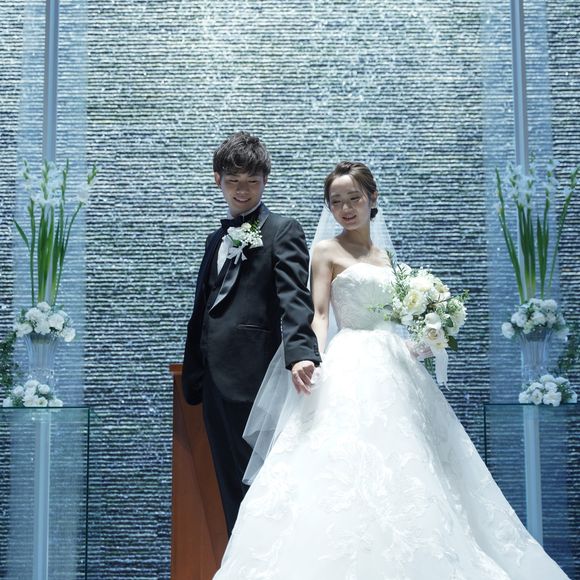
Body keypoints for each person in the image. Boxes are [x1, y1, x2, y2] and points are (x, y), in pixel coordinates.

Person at [213, 161, 569, 579]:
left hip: (394, 364)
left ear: (372, 198)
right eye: (336, 202)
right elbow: (320, 313)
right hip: (349, 362)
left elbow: (397, 317)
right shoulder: (325, 251)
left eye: (354, 198)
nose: (346, 208)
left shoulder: (387, 257)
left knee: (414, 461)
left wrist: (425, 338)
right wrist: (311, 357)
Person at [181, 132, 321, 534]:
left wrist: (301, 353)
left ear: (265, 181)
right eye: (233, 181)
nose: (242, 191)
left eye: (252, 182)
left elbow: (295, 297)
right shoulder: (215, 239)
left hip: (255, 380)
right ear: (217, 180)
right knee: (230, 490)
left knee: (264, 488)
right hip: (213, 383)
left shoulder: (282, 229)